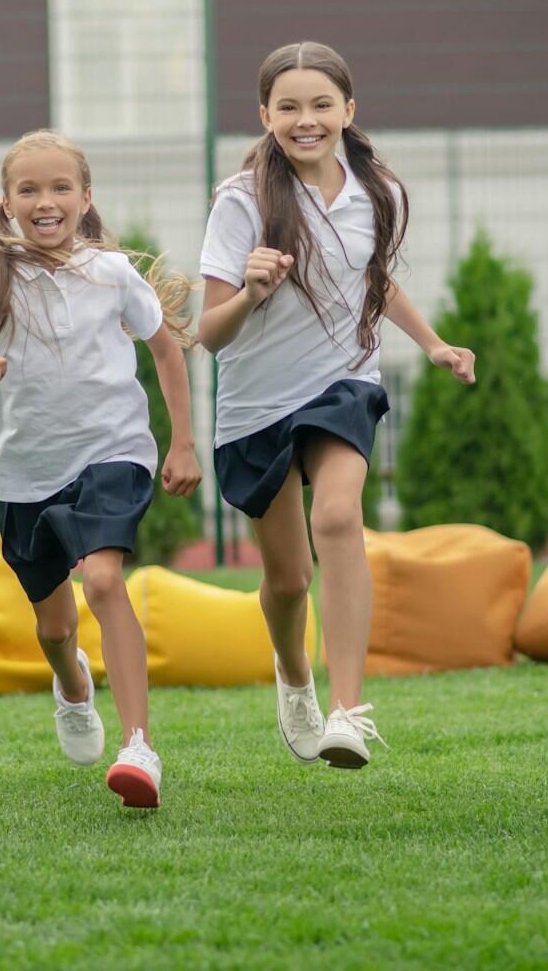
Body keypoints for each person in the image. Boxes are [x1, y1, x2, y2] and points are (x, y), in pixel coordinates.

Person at [198, 41, 475, 769]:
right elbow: (209, 333)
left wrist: (435, 343)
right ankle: (295, 678)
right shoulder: (241, 203)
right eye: (288, 106)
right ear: (265, 116)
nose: (306, 119)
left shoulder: (374, 190)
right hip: (256, 405)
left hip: (343, 381)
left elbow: (372, 280)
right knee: (288, 580)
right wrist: (252, 292)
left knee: (340, 514)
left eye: (321, 104)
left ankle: (350, 711)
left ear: (348, 111)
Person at [0, 130, 201, 810]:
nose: (45, 201)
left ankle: (140, 747)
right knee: (53, 628)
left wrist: (183, 444)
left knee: (105, 579)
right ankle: (72, 684)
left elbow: (166, 352)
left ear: (84, 197)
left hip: (113, 451)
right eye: (29, 189)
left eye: (59, 188)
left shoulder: (112, 275)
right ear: (8, 202)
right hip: (26, 473)